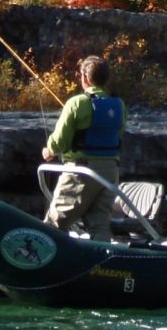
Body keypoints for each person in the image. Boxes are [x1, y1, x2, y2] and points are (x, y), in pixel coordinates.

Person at [42, 55, 126, 242]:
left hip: (81, 171)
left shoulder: (77, 103)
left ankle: (41, 261)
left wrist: (48, 151)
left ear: (86, 78)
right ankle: (103, 264)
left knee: (56, 223)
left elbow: (59, 142)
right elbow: (119, 134)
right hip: (110, 171)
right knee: (99, 222)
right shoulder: (119, 104)